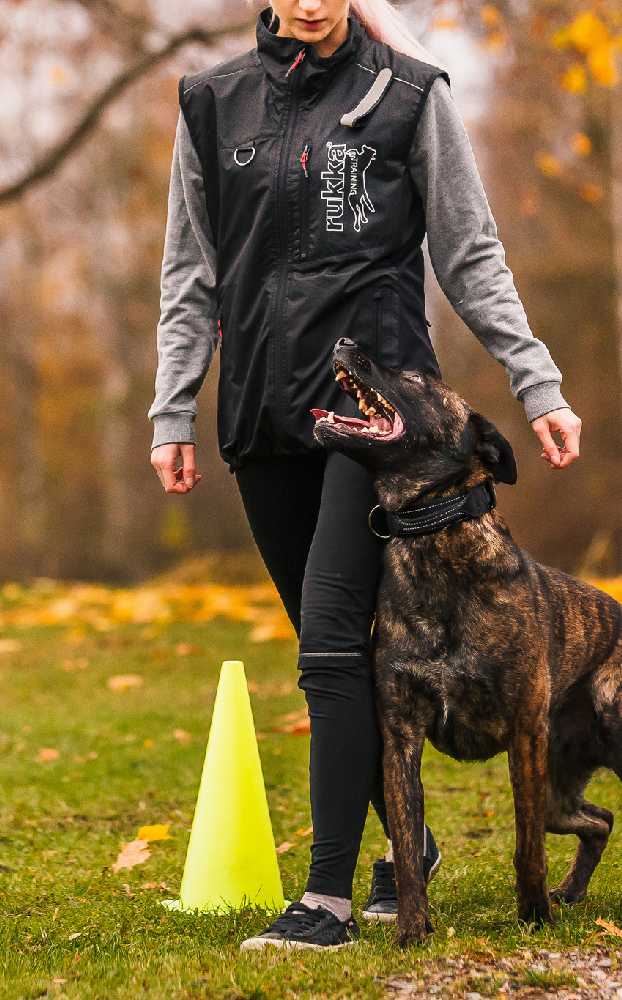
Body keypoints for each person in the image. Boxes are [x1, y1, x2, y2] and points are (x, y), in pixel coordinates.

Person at [149, 0, 582, 951]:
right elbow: (194, 271)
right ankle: (410, 844)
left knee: (331, 640)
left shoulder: (409, 95)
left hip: (378, 420)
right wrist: (172, 405)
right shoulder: (211, 103)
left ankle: (327, 900)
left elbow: (470, 255)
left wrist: (536, 381)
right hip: (262, 410)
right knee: (332, 645)